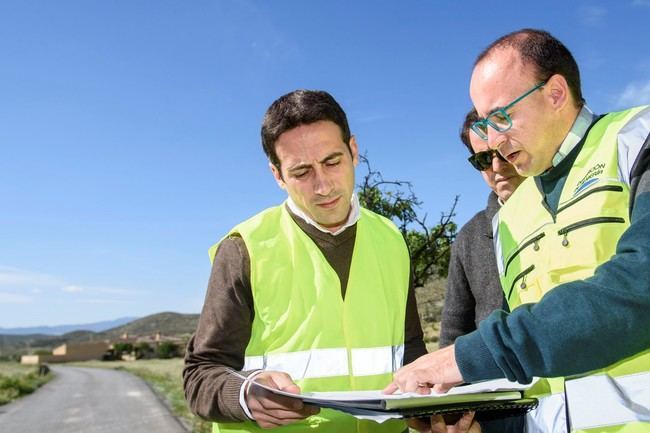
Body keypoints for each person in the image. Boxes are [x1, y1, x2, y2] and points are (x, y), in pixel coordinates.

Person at [386, 29, 650, 433]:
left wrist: (464, 356)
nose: (492, 140)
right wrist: (482, 425)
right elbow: (541, 387)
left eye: (500, 117)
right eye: (484, 124)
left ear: (556, 93)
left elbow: (638, 288)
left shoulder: (635, 140)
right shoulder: (508, 219)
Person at [183, 89, 431, 433]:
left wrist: (431, 410)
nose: (323, 186)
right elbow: (200, 375)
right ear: (277, 175)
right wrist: (244, 394)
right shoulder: (243, 249)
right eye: (301, 172)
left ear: (354, 151)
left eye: (332, 162)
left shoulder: (391, 239)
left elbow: (410, 350)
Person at [439, 109, 525, 348]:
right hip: (497, 383)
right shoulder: (468, 237)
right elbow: (454, 331)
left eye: (505, 153)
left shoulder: (566, 207)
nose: (497, 166)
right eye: (484, 159)